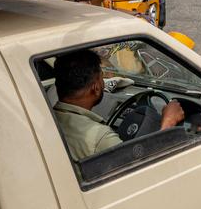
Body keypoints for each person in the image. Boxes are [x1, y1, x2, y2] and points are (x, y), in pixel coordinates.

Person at [51, 49, 185, 160]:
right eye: (102, 77)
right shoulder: (100, 138)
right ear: (96, 87)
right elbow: (140, 169)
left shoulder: (49, 120)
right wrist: (168, 123)